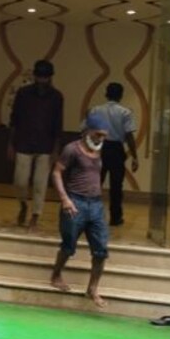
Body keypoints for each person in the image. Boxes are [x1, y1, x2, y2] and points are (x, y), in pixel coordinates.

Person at [50, 112, 111, 308]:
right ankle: (56, 274)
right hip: (75, 202)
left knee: (101, 250)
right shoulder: (72, 149)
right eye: (97, 134)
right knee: (68, 246)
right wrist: (65, 199)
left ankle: (92, 288)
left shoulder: (100, 150)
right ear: (87, 131)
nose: (100, 138)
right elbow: (57, 172)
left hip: (96, 204)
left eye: (103, 136)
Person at [8, 60, 64, 230]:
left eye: (45, 77)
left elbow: (58, 124)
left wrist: (56, 150)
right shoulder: (23, 94)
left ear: (50, 77)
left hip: (46, 145)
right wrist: (10, 144)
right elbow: (14, 120)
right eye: (39, 76)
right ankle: (23, 204)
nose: (42, 80)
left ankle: (35, 215)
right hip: (23, 142)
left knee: (40, 184)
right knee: (20, 181)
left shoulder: (56, 97)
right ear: (35, 76)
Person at [90, 82, 139, 226]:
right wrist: (135, 156)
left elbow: (89, 132)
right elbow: (129, 136)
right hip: (116, 149)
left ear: (106, 94)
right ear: (121, 95)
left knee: (94, 184)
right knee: (116, 186)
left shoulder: (96, 110)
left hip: (99, 148)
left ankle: (91, 215)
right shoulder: (125, 112)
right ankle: (115, 217)